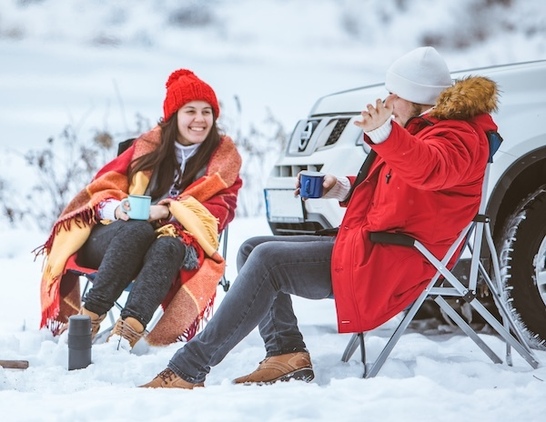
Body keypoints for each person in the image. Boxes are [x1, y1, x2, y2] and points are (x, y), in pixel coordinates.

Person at [141, 46, 499, 388]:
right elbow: (403, 187)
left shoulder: (459, 137)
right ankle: (286, 354)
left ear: (417, 97)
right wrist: (340, 187)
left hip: (398, 261)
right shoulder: (427, 131)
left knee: (268, 261)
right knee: (254, 248)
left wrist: (385, 134)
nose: (388, 101)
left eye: (394, 94)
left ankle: (188, 369)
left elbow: (428, 169)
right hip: (378, 247)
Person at [36, 69, 242, 349]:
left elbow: (220, 211)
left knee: (167, 245)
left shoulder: (224, 162)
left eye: (207, 112)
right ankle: (87, 321)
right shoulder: (144, 149)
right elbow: (98, 193)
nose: (200, 119)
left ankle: (125, 335)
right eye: (190, 111)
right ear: (173, 116)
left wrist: (169, 212)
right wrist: (118, 208)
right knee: (137, 229)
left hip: (176, 247)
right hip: (115, 238)